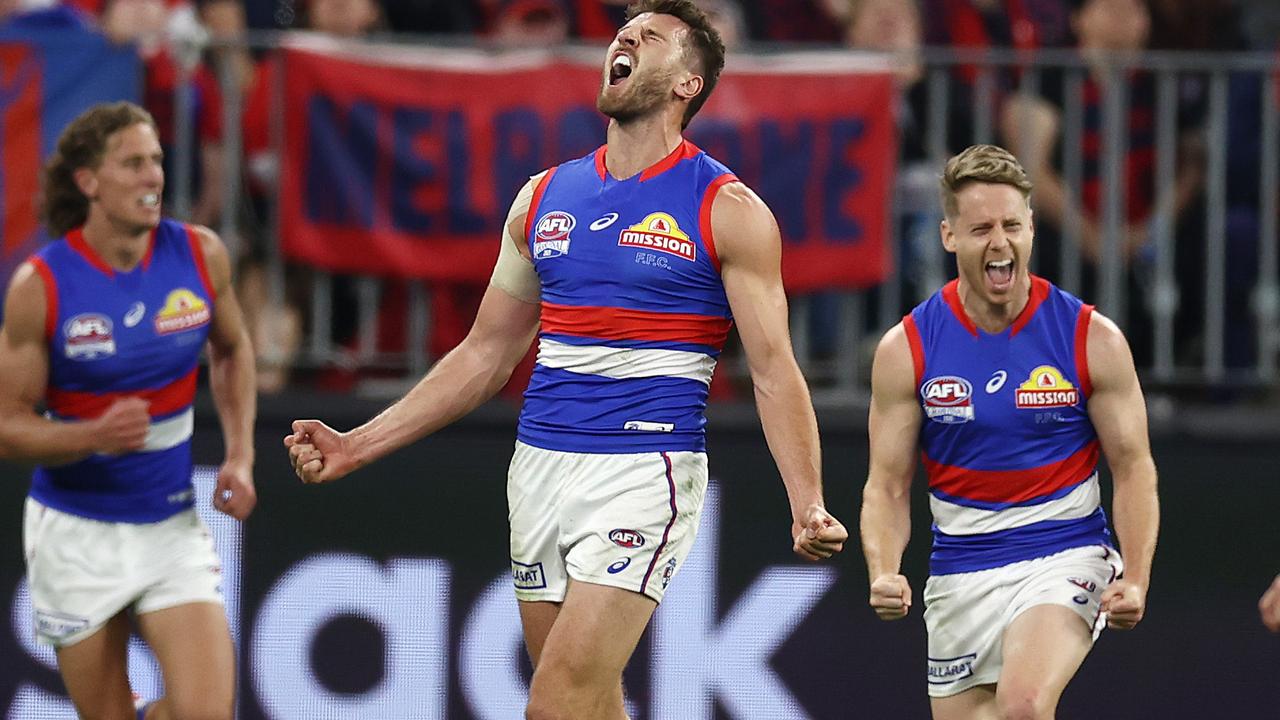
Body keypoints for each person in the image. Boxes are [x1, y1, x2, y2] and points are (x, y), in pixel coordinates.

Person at [284, 1, 848, 717]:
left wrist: (807, 502)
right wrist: (356, 445)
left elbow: (774, 369)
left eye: (651, 38)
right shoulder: (542, 198)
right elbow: (485, 354)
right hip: (541, 468)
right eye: (624, 32)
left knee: (552, 704)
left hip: (645, 472)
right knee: (589, 702)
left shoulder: (727, 209)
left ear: (687, 84)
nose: (626, 39)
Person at [859, 144, 1159, 720]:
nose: (999, 243)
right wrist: (884, 570)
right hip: (959, 570)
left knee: (1022, 706)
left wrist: (1137, 578)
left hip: (1065, 551)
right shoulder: (907, 350)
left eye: (1011, 226)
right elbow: (887, 485)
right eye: (980, 229)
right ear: (949, 236)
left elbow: (1133, 466)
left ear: (1030, 230)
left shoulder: (1090, 338)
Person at [0, 101, 256, 719]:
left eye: (157, 162)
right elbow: (6, 426)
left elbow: (232, 349)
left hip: (171, 527)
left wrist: (241, 455)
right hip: (74, 536)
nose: (153, 178)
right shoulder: (42, 285)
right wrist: (92, 435)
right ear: (89, 182)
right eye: (133, 164)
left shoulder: (200, 255)